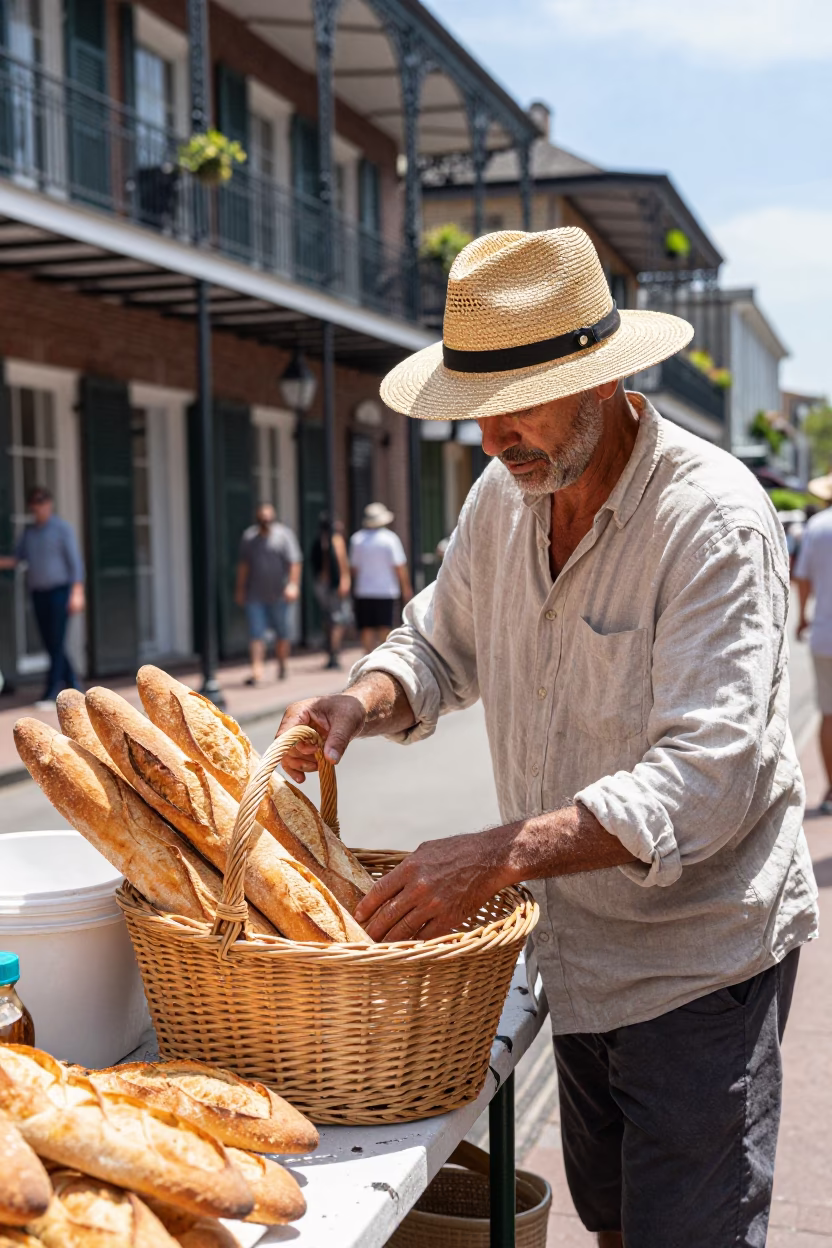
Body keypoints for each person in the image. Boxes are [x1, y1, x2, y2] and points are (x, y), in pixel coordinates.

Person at [276, 228, 819, 1248]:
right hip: (574, 951)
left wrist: (498, 852)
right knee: (611, 1222)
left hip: (698, 964)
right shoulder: (503, 495)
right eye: (475, 412)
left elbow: (705, 780)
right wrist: (365, 697)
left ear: (602, 381)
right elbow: (439, 643)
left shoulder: (711, 520)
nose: (491, 439)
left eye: (516, 405)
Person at [0, 485, 84, 709]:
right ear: (31, 506)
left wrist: (77, 592)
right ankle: (73, 684)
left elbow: (74, 562)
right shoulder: (29, 533)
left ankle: (52, 691)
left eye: (43, 502)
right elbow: (18, 559)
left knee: (56, 641)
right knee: (51, 642)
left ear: (50, 504)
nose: (40, 507)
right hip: (38, 593)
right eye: (36, 503)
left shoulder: (62, 529)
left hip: (60, 591)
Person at [795, 473, 832, 811]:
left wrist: (802, 617)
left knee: (828, 714)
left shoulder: (817, 527)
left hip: (825, 633)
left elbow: (802, 579)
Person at [235, 503, 302, 684]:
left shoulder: (284, 536)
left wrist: (293, 585)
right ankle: (257, 671)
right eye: (262, 518)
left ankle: (282, 664)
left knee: (282, 633)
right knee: (256, 633)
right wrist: (240, 589)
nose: (265, 521)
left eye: (268, 518)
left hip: (279, 595)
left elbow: (295, 562)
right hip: (255, 595)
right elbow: (244, 565)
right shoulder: (249, 537)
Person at [349, 502, 413, 652]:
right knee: (385, 627)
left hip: (363, 590)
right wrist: (406, 588)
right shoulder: (390, 539)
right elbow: (399, 567)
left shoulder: (357, 539)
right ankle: (384, 656)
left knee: (366, 628)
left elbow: (353, 568)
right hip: (386, 590)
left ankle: (367, 655)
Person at [310, 513, 351, 670]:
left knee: (334, 619)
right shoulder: (328, 541)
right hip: (329, 586)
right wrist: (344, 580)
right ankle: (333, 651)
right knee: (336, 619)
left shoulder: (329, 541)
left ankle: (333, 651)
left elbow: (340, 564)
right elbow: (340, 563)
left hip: (329, 585)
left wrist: (343, 580)